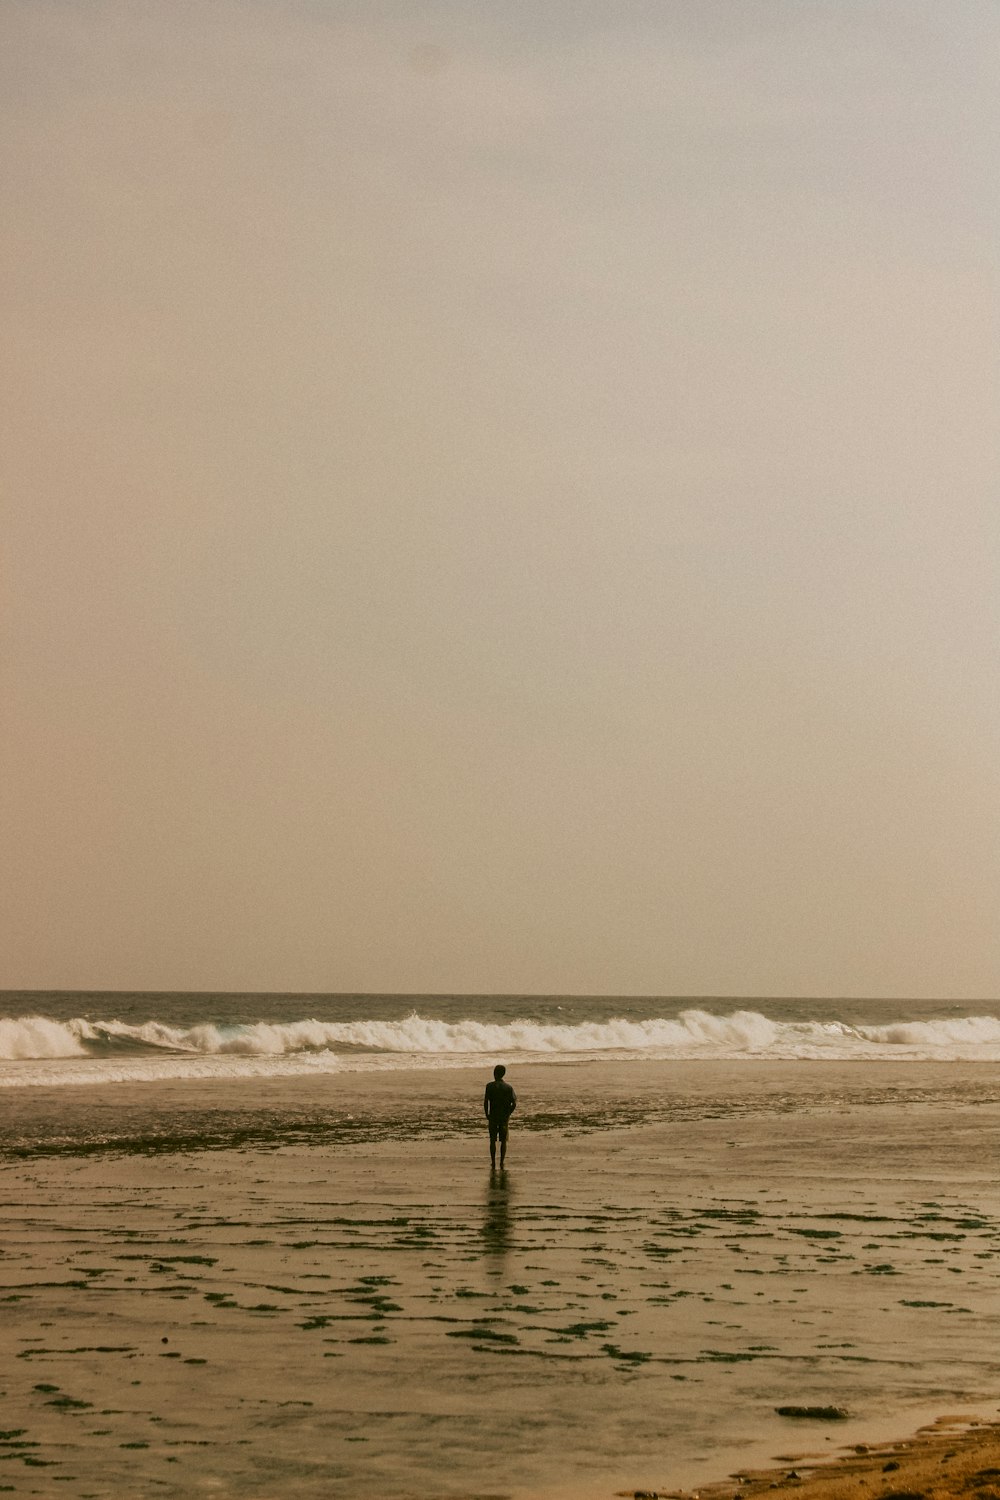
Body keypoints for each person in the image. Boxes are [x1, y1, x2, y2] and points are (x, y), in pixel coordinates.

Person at [483, 1064, 517, 1169]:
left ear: (494, 1073)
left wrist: (487, 1114)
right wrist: (508, 1113)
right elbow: (514, 1103)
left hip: (493, 1115)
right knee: (503, 1141)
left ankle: (493, 1162)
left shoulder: (489, 1086)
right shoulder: (508, 1087)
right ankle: (501, 1162)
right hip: (503, 1117)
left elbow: (486, 1102)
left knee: (492, 1140)